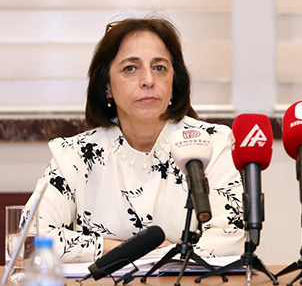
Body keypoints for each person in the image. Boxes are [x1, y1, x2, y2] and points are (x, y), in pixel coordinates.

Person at [23, 17, 244, 263]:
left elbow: (232, 236)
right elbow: (26, 240)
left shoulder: (211, 143)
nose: (148, 80)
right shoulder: (76, 154)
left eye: (159, 68)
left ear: (174, 82)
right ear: (106, 86)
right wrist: (119, 249)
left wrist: (153, 261)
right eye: (130, 68)